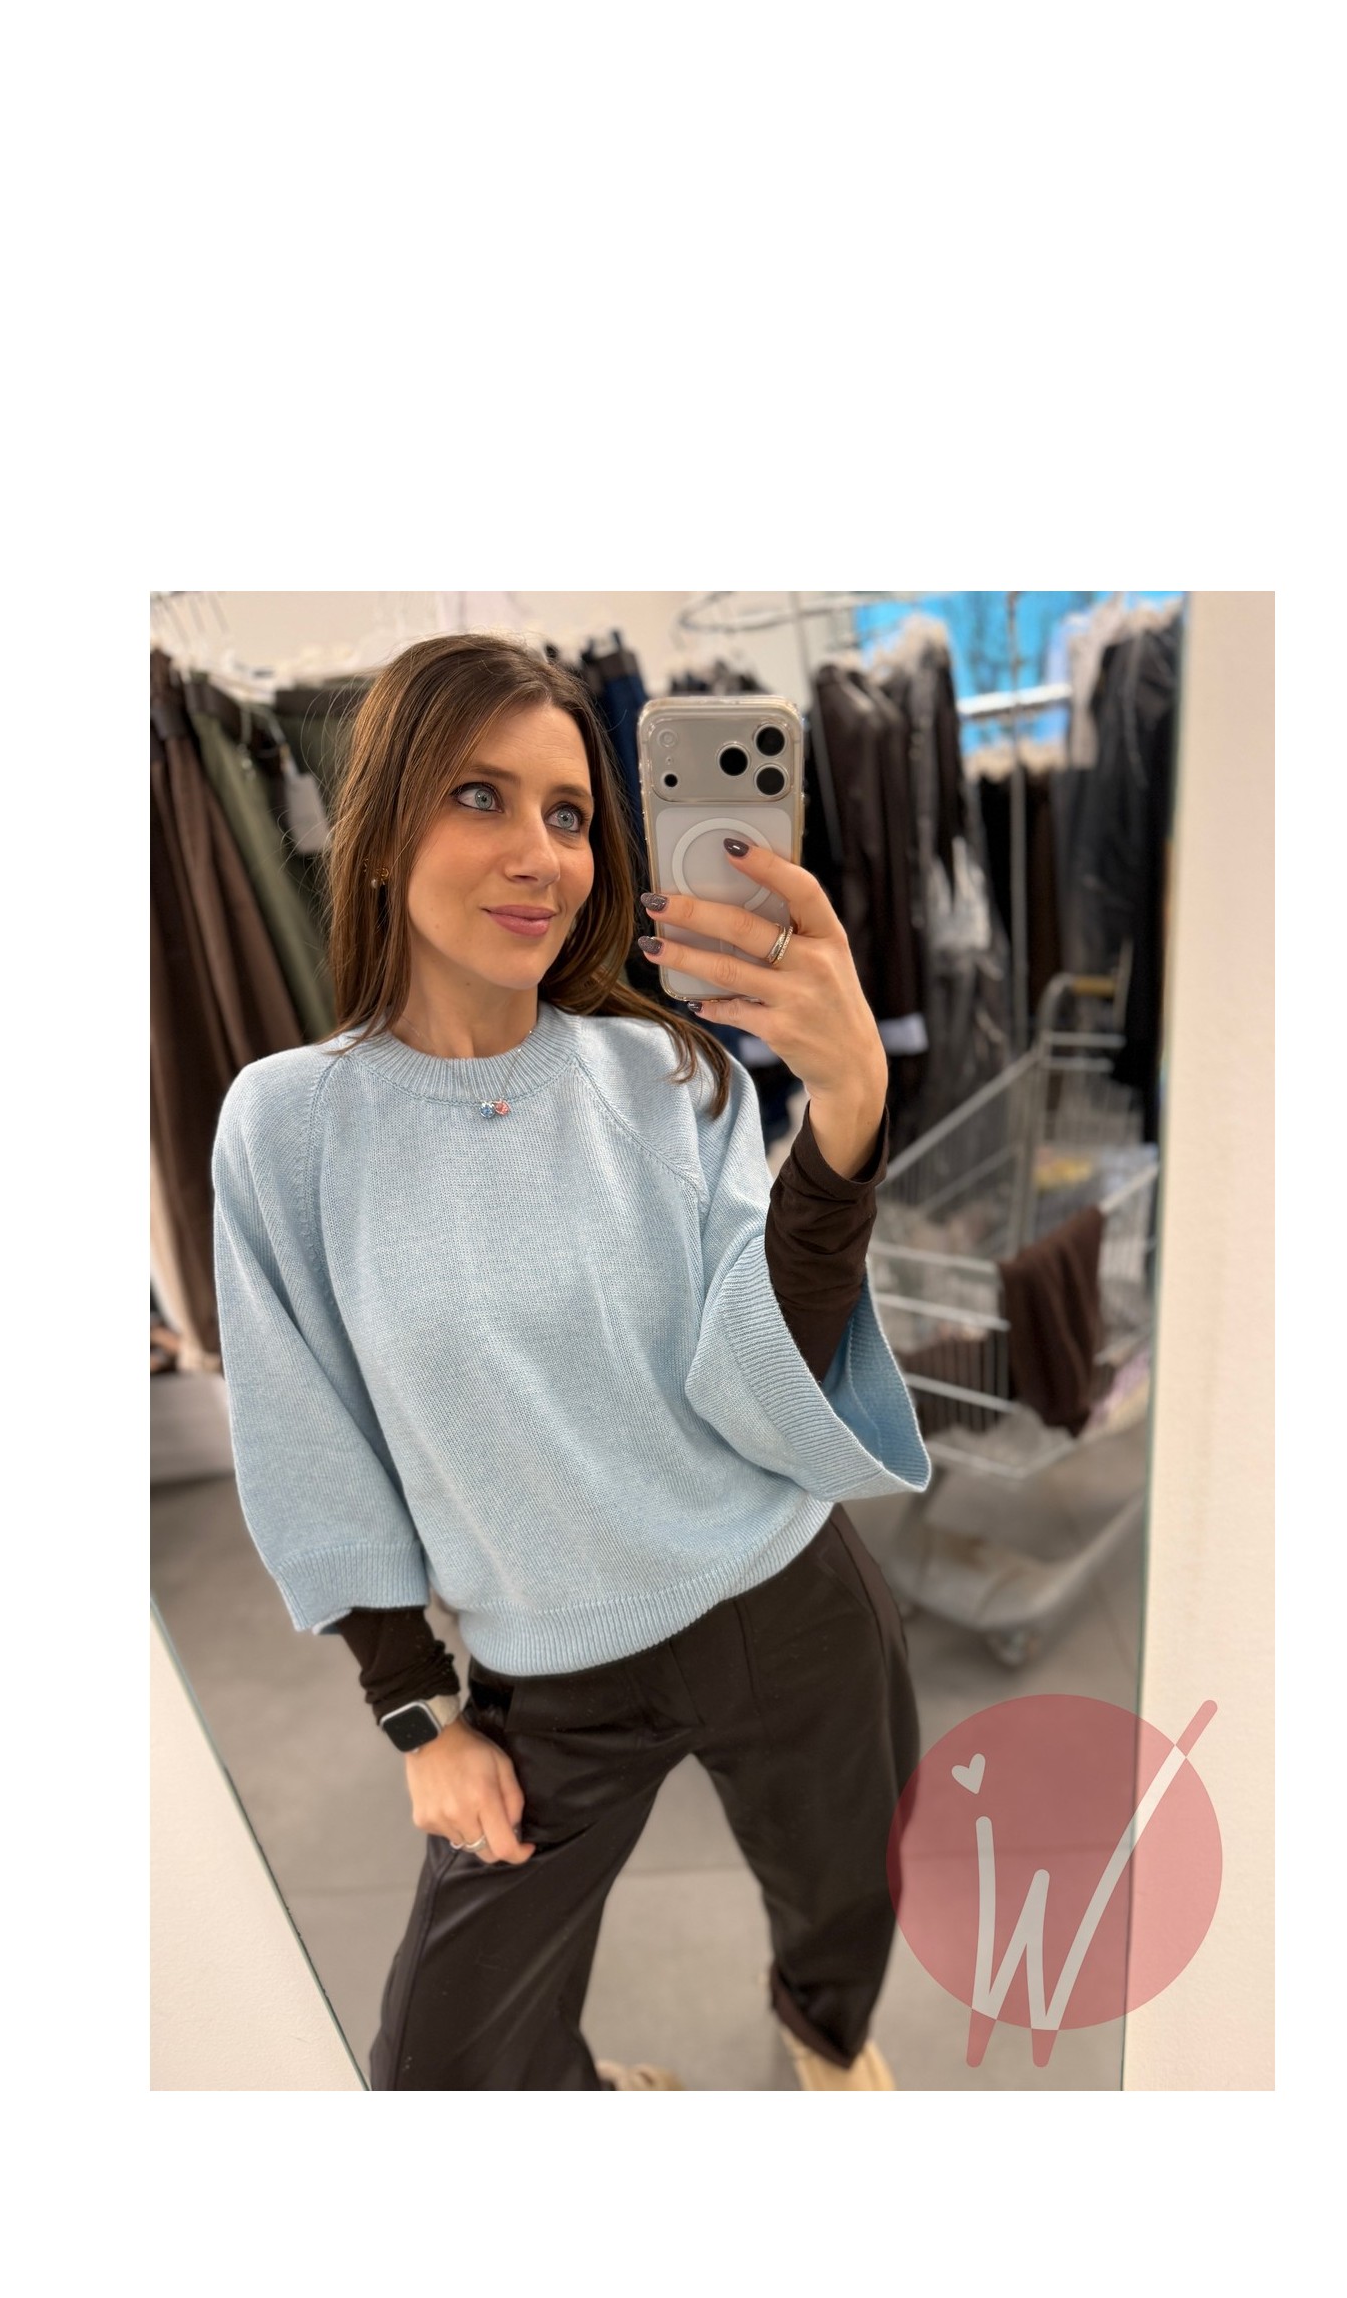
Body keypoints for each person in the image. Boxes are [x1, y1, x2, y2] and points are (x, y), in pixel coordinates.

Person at [208, 633, 930, 2090]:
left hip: (786, 1598)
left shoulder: (669, 1072)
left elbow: (761, 1374)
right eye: (478, 796)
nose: (539, 854)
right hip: (552, 1670)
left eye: (570, 814)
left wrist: (846, 1120)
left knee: (850, 1878)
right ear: (380, 826)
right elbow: (306, 1443)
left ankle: (824, 2035)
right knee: (444, 2061)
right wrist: (418, 1713)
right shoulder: (289, 1128)